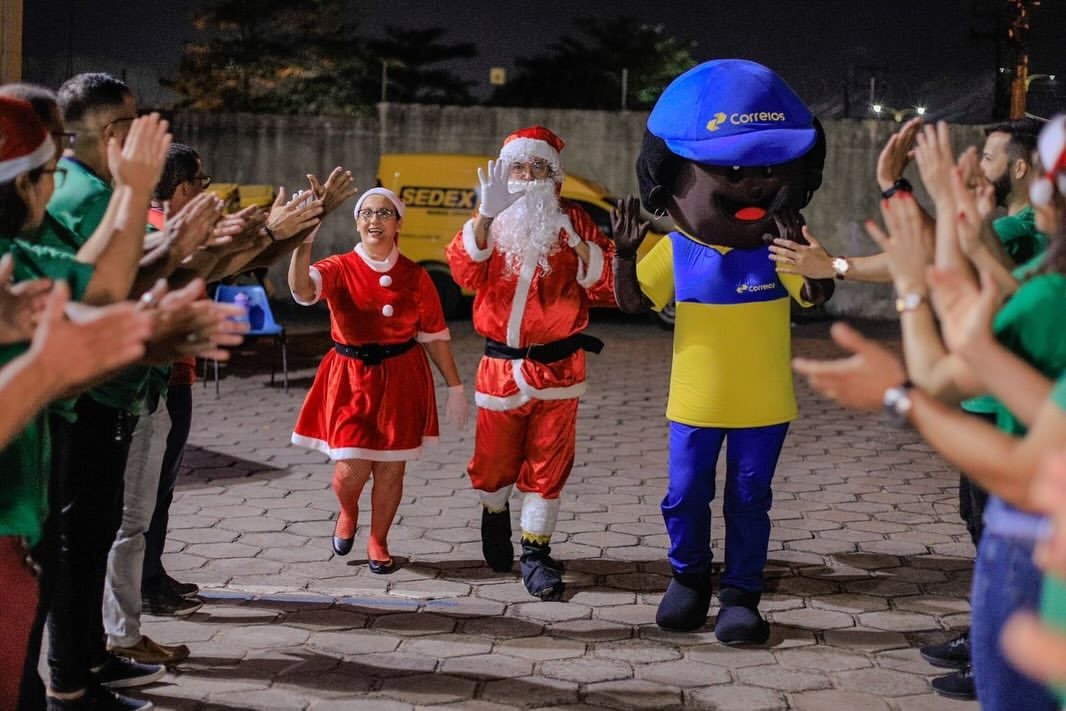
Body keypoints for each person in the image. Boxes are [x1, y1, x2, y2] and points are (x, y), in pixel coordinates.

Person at [791, 115, 1066, 711]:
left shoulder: (1046, 289)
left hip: (1029, 511)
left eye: (992, 159)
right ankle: (985, 640)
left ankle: (993, 648)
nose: (981, 168)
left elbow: (951, 360)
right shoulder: (1039, 284)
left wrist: (899, 385)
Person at [612, 60, 833, 642]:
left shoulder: (778, 250)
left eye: (767, 170)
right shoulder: (680, 249)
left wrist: (808, 254)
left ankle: (742, 595)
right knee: (684, 495)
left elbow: (815, 294)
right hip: (694, 404)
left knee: (748, 500)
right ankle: (688, 579)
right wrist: (622, 258)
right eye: (732, 171)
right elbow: (634, 305)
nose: (753, 184)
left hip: (765, 405)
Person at [0, 95, 153, 710]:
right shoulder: (15, 266)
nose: (54, 184)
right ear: (25, 186)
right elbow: (111, 288)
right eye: (47, 174)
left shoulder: (23, 258)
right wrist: (136, 190)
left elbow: (99, 284)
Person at [445, 125, 616, 601]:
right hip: (500, 369)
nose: (527, 176)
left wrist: (577, 243)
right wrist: (483, 217)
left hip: (560, 370)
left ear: (553, 176)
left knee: (549, 465)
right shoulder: (492, 221)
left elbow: (604, 286)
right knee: (493, 463)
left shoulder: (576, 220)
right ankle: (494, 512)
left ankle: (536, 555)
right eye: (518, 167)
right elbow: (463, 271)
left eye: (538, 167)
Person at [290, 187, 467, 573]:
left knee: (390, 470)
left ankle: (378, 539)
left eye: (385, 213)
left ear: (398, 223)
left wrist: (455, 386)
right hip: (351, 380)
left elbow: (434, 336)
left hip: (402, 379)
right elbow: (303, 290)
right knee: (349, 471)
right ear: (357, 222)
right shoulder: (338, 267)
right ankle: (348, 511)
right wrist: (303, 242)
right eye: (367, 212)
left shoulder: (416, 275)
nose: (375, 220)